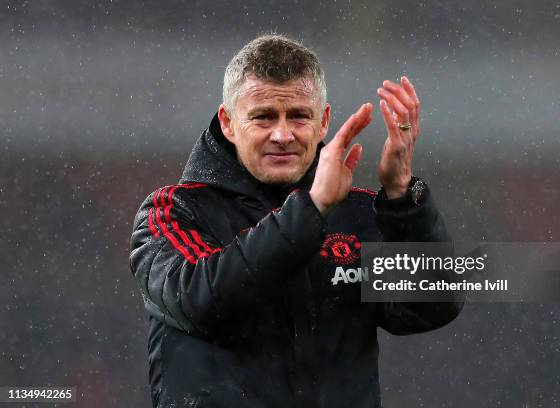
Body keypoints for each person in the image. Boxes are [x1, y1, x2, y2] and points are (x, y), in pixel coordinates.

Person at [129, 34, 463, 408]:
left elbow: (430, 307)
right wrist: (312, 209)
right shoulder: (173, 212)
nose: (282, 135)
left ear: (323, 123)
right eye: (263, 116)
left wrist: (402, 198)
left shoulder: (357, 213)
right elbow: (203, 302)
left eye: (299, 116)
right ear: (228, 123)